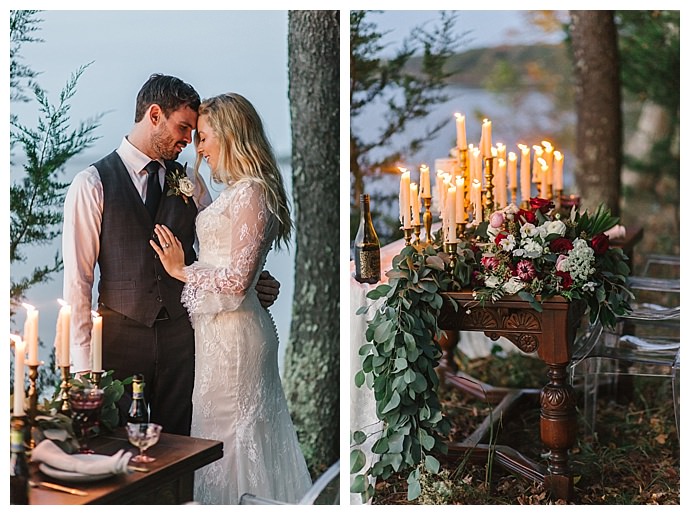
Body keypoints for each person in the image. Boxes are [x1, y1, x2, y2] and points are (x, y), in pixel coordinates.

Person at [62, 74, 281, 437]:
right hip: (119, 341)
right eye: (182, 128)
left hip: (187, 339)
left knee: (182, 448)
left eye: (195, 133)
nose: (189, 142)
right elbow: (78, 284)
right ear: (153, 115)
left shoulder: (190, 182)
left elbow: (227, 247)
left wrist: (256, 278)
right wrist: (86, 370)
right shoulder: (92, 183)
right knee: (119, 447)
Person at [150, 92, 312, 504]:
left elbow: (239, 280)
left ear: (230, 135)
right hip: (215, 335)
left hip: (237, 338)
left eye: (204, 137)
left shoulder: (254, 192)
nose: (199, 147)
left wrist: (180, 270)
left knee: (236, 435)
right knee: (215, 433)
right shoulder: (236, 192)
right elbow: (235, 257)